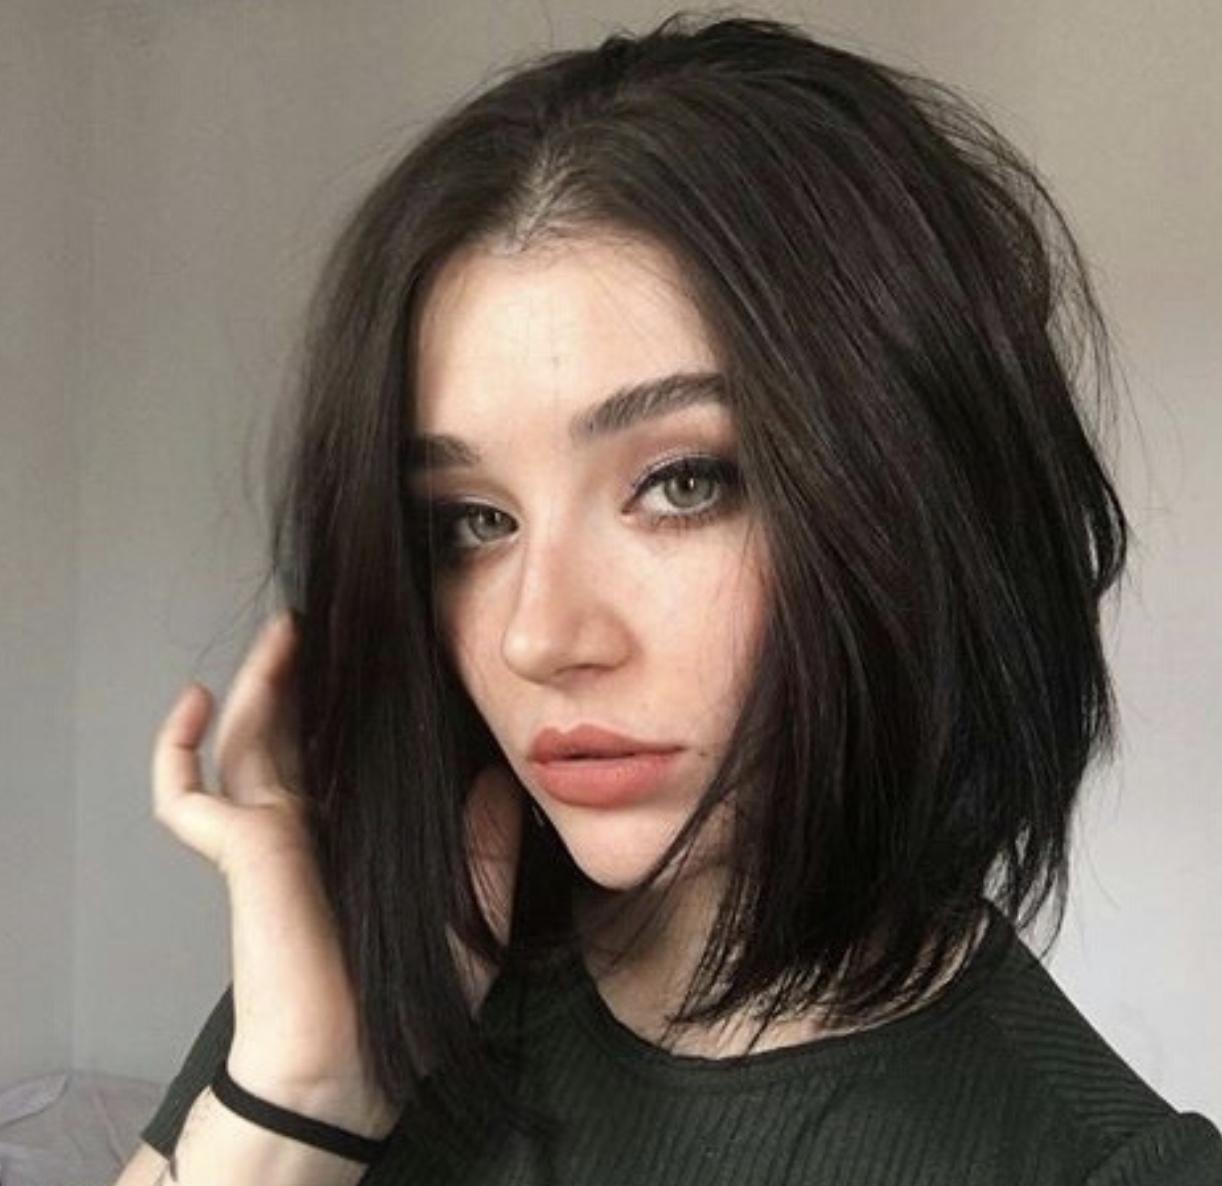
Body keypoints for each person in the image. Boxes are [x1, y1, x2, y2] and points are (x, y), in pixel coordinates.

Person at [113, 11, 1222, 1186]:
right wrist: (297, 1098)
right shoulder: (373, 962)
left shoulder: (1100, 1166)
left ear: (924, 497)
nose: (540, 636)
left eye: (684, 483)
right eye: (471, 522)